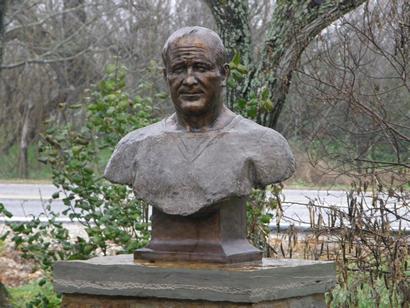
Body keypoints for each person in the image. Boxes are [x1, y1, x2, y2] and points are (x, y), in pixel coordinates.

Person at [104, 26, 295, 217]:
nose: (189, 80)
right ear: (166, 76)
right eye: (178, 70)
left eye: (201, 68)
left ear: (224, 74)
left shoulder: (264, 143)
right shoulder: (135, 146)